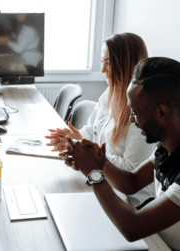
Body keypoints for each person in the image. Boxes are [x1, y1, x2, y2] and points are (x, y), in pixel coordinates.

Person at [62, 57, 180, 251]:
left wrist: (94, 173)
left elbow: (132, 228)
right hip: (158, 241)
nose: (133, 120)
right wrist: (101, 163)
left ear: (161, 113)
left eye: (135, 112)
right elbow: (132, 183)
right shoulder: (170, 143)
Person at [46, 33, 155, 208]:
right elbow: (92, 129)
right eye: (101, 62)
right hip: (103, 182)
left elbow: (131, 171)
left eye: (108, 63)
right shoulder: (110, 93)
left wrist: (91, 155)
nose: (103, 70)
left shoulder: (141, 112)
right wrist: (78, 137)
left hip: (131, 201)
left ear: (126, 65)